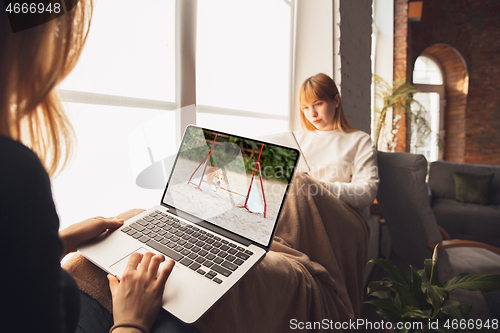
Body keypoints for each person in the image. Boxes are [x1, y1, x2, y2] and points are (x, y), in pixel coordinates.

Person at [0, 2, 174, 332]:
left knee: (137, 218)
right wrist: (131, 322)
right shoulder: (14, 174)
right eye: (51, 29)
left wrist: (54, 242)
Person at [294, 73, 378, 211]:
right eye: (306, 107)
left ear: (336, 101)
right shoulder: (296, 139)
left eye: (317, 104)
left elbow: (367, 192)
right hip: (303, 210)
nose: (312, 114)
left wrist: (322, 187)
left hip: (341, 214)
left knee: (300, 182)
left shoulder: (360, 141)